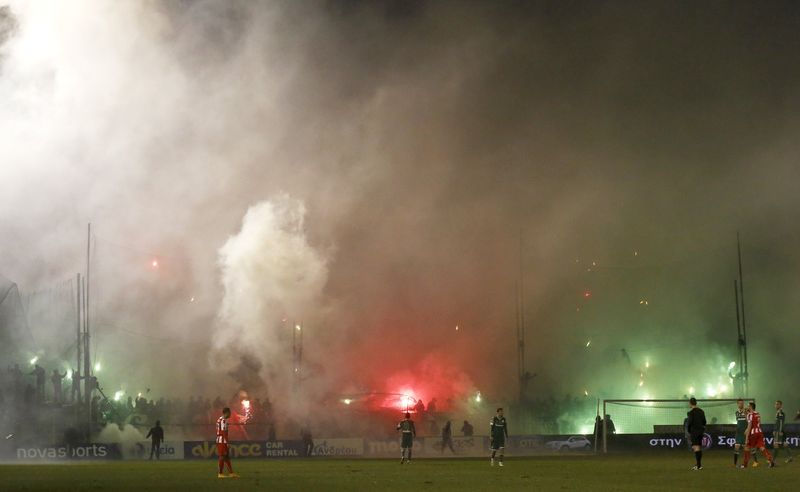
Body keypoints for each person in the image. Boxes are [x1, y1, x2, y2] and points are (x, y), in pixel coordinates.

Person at [741, 401, 775, 468]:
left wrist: (746, 438)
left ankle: (744, 465)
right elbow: (753, 421)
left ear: (750, 407)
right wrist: (746, 414)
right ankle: (770, 461)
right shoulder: (757, 414)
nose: (747, 407)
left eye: (748, 406)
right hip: (759, 432)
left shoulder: (750, 415)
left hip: (753, 434)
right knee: (762, 447)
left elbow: (749, 425)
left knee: (747, 447)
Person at [216, 407, 238, 478]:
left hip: (221, 439)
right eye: (230, 412)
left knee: (226, 457)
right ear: (227, 412)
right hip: (222, 440)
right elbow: (223, 432)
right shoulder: (223, 421)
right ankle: (220, 473)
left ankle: (231, 473)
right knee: (222, 456)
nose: (230, 414)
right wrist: (227, 442)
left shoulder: (220, 419)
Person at [687, 397, 707, 470]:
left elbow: (689, 422)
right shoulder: (701, 411)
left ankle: (698, 465)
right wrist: (702, 427)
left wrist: (689, 430)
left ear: (690, 403)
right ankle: (699, 465)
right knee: (698, 447)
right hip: (700, 431)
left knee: (696, 447)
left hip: (694, 431)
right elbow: (704, 421)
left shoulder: (691, 413)